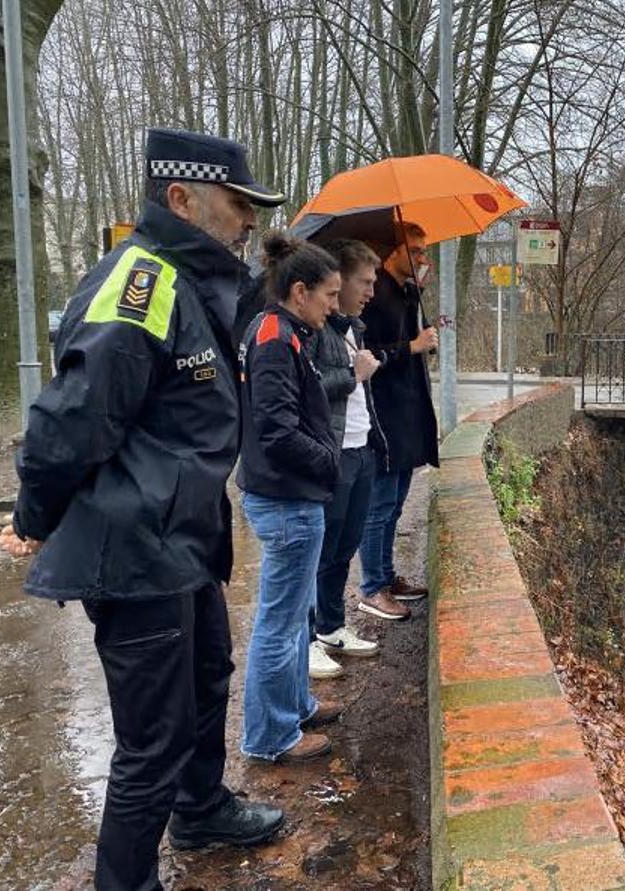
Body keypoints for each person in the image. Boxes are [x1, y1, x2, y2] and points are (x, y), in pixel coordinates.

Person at [0, 127, 287, 891]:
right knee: (151, 738)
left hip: (181, 537)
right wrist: (33, 516)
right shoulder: (142, 282)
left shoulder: (190, 280)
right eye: (237, 205)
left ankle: (200, 808)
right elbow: (68, 420)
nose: (248, 220)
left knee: (206, 681)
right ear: (182, 198)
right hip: (136, 548)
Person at [236, 232, 344, 761]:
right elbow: (276, 429)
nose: (334, 306)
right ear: (299, 291)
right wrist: (328, 461)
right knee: (278, 624)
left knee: (293, 614)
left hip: (289, 497)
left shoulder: (282, 331)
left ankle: (296, 705)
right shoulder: (276, 337)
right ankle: (270, 737)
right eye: (329, 296)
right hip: (286, 501)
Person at [303, 239, 387, 679]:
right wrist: (354, 375)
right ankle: (309, 639)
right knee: (319, 549)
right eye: (364, 283)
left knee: (343, 546)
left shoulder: (355, 328)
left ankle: (332, 626)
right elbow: (307, 386)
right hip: (332, 454)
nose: (370, 292)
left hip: (361, 449)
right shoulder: (317, 329)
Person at [356, 222, 439, 621]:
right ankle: (372, 587)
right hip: (384, 413)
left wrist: (418, 292)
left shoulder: (404, 291)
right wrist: (413, 345)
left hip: (407, 411)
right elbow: (367, 353)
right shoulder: (373, 295)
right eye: (417, 250)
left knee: (396, 502)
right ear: (394, 250)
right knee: (380, 502)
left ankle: (387, 577)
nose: (424, 257)